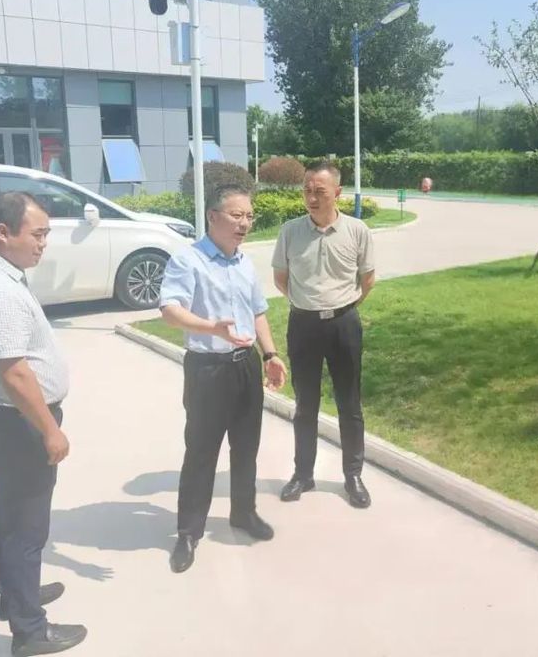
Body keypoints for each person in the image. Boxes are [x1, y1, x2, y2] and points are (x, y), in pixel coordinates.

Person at [0, 192, 87, 657]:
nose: (44, 243)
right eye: (38, 234)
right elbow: (14, 373)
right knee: (27, 529)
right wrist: (50, 429)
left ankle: (16, 594)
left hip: (3, 421)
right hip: (19, 425)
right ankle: (30, 631)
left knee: (12, 515)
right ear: (3, 232)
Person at [159, 184, 288, 573]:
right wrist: (211, 327)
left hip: (245, 365)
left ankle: (243, 512)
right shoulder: (189, 260)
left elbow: (258, 312)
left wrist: (270, 355)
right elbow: (169, 309)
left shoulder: (244, 263)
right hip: (208, 368)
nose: (244, 223)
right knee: (201, 452)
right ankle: (188, 532)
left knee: (246, 447)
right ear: (213, 216)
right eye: (236, 215)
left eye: (249, 216)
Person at [273, 162, 376, 508]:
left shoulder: (357, 230)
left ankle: (353, 476)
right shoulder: (290, 231)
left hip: (344, 325)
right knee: (305, 405)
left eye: (319, 191)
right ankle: (303, 474)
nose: (312, 197)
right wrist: (309, 304)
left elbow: (367, 280)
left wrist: (340, 306)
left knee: (350, 404)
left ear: (337, 193)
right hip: (303, 325)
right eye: (307, 190)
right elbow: (281, 278)